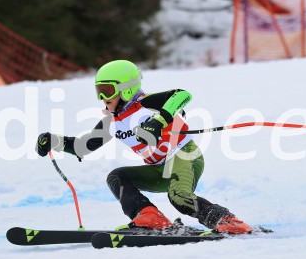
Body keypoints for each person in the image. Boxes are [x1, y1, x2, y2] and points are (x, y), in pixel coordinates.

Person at [35, 59, 253, 234]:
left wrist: (158, 121)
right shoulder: (112, 121)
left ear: (126, 89)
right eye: (98, 91)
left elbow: (182, 95)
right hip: (159, 168)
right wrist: (54, 141)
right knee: (117, 176)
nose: (102, 98)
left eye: (107, 91)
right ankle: (150, 216)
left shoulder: (147, 103)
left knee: (178, 196)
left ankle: (225, 220)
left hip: (185, 155)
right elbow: (84, 147)